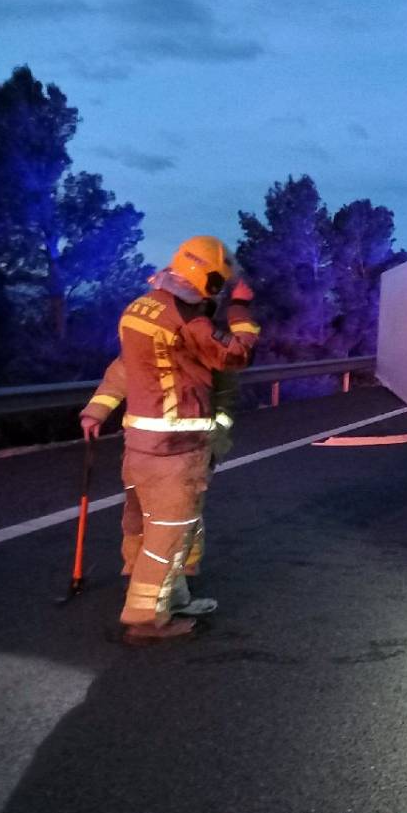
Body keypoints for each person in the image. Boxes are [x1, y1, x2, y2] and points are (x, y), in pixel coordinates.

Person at [80, 236, 259, 644]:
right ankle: (145, 619)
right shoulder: (187, 318)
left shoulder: (140, 309)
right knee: (168, 535)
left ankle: (172, 599)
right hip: (174, 450)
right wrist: (242, 310)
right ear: (208, 278)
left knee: (156, 527)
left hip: (140, 446)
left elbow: (126, 366)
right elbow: (234, 357)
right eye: (220, 283)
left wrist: (97, 409)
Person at [80, 360, 240, 615]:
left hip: (146, 452)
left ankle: (149, 586)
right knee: (171, 529)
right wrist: (96, 411)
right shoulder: (197, 341)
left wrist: (95, 412)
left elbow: (121, 373)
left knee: (150, 524)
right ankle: (156, 606)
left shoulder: (157, 335)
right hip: (173, 456)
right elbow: (224, 399)